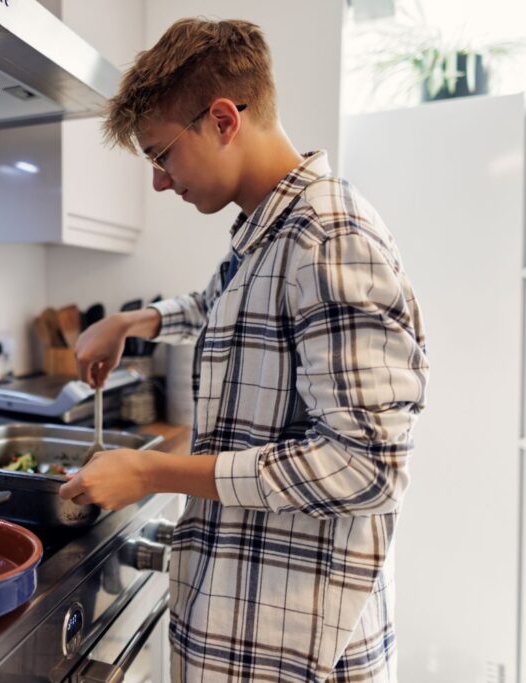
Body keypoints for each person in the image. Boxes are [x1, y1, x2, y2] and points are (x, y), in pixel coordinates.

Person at [58, 18, 428, 683]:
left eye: (162, 155)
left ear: (224, 120)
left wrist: (153, 473)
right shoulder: (268, 231)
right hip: (251, 638)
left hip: (301, 657)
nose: (160, 183)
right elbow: (221, 307)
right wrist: (129, 320)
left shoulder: (327, 235)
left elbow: (367, 464)